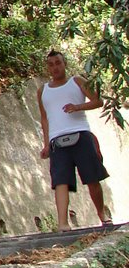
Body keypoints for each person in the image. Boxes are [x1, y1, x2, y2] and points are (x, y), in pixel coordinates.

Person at [37, 49, 110, 232]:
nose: (55, 67)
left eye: (58, 63)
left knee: (92, 177)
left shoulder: (76, 81)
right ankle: (63, 224)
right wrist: (46, 144)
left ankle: (102, 215)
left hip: (81, 135)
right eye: (51, 64)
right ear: (48, 67)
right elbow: (44, 118)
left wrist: (77, 107)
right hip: (57, 141)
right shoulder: (42, 91)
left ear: (64, 64)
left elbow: (98, 101)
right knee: (60, 181)